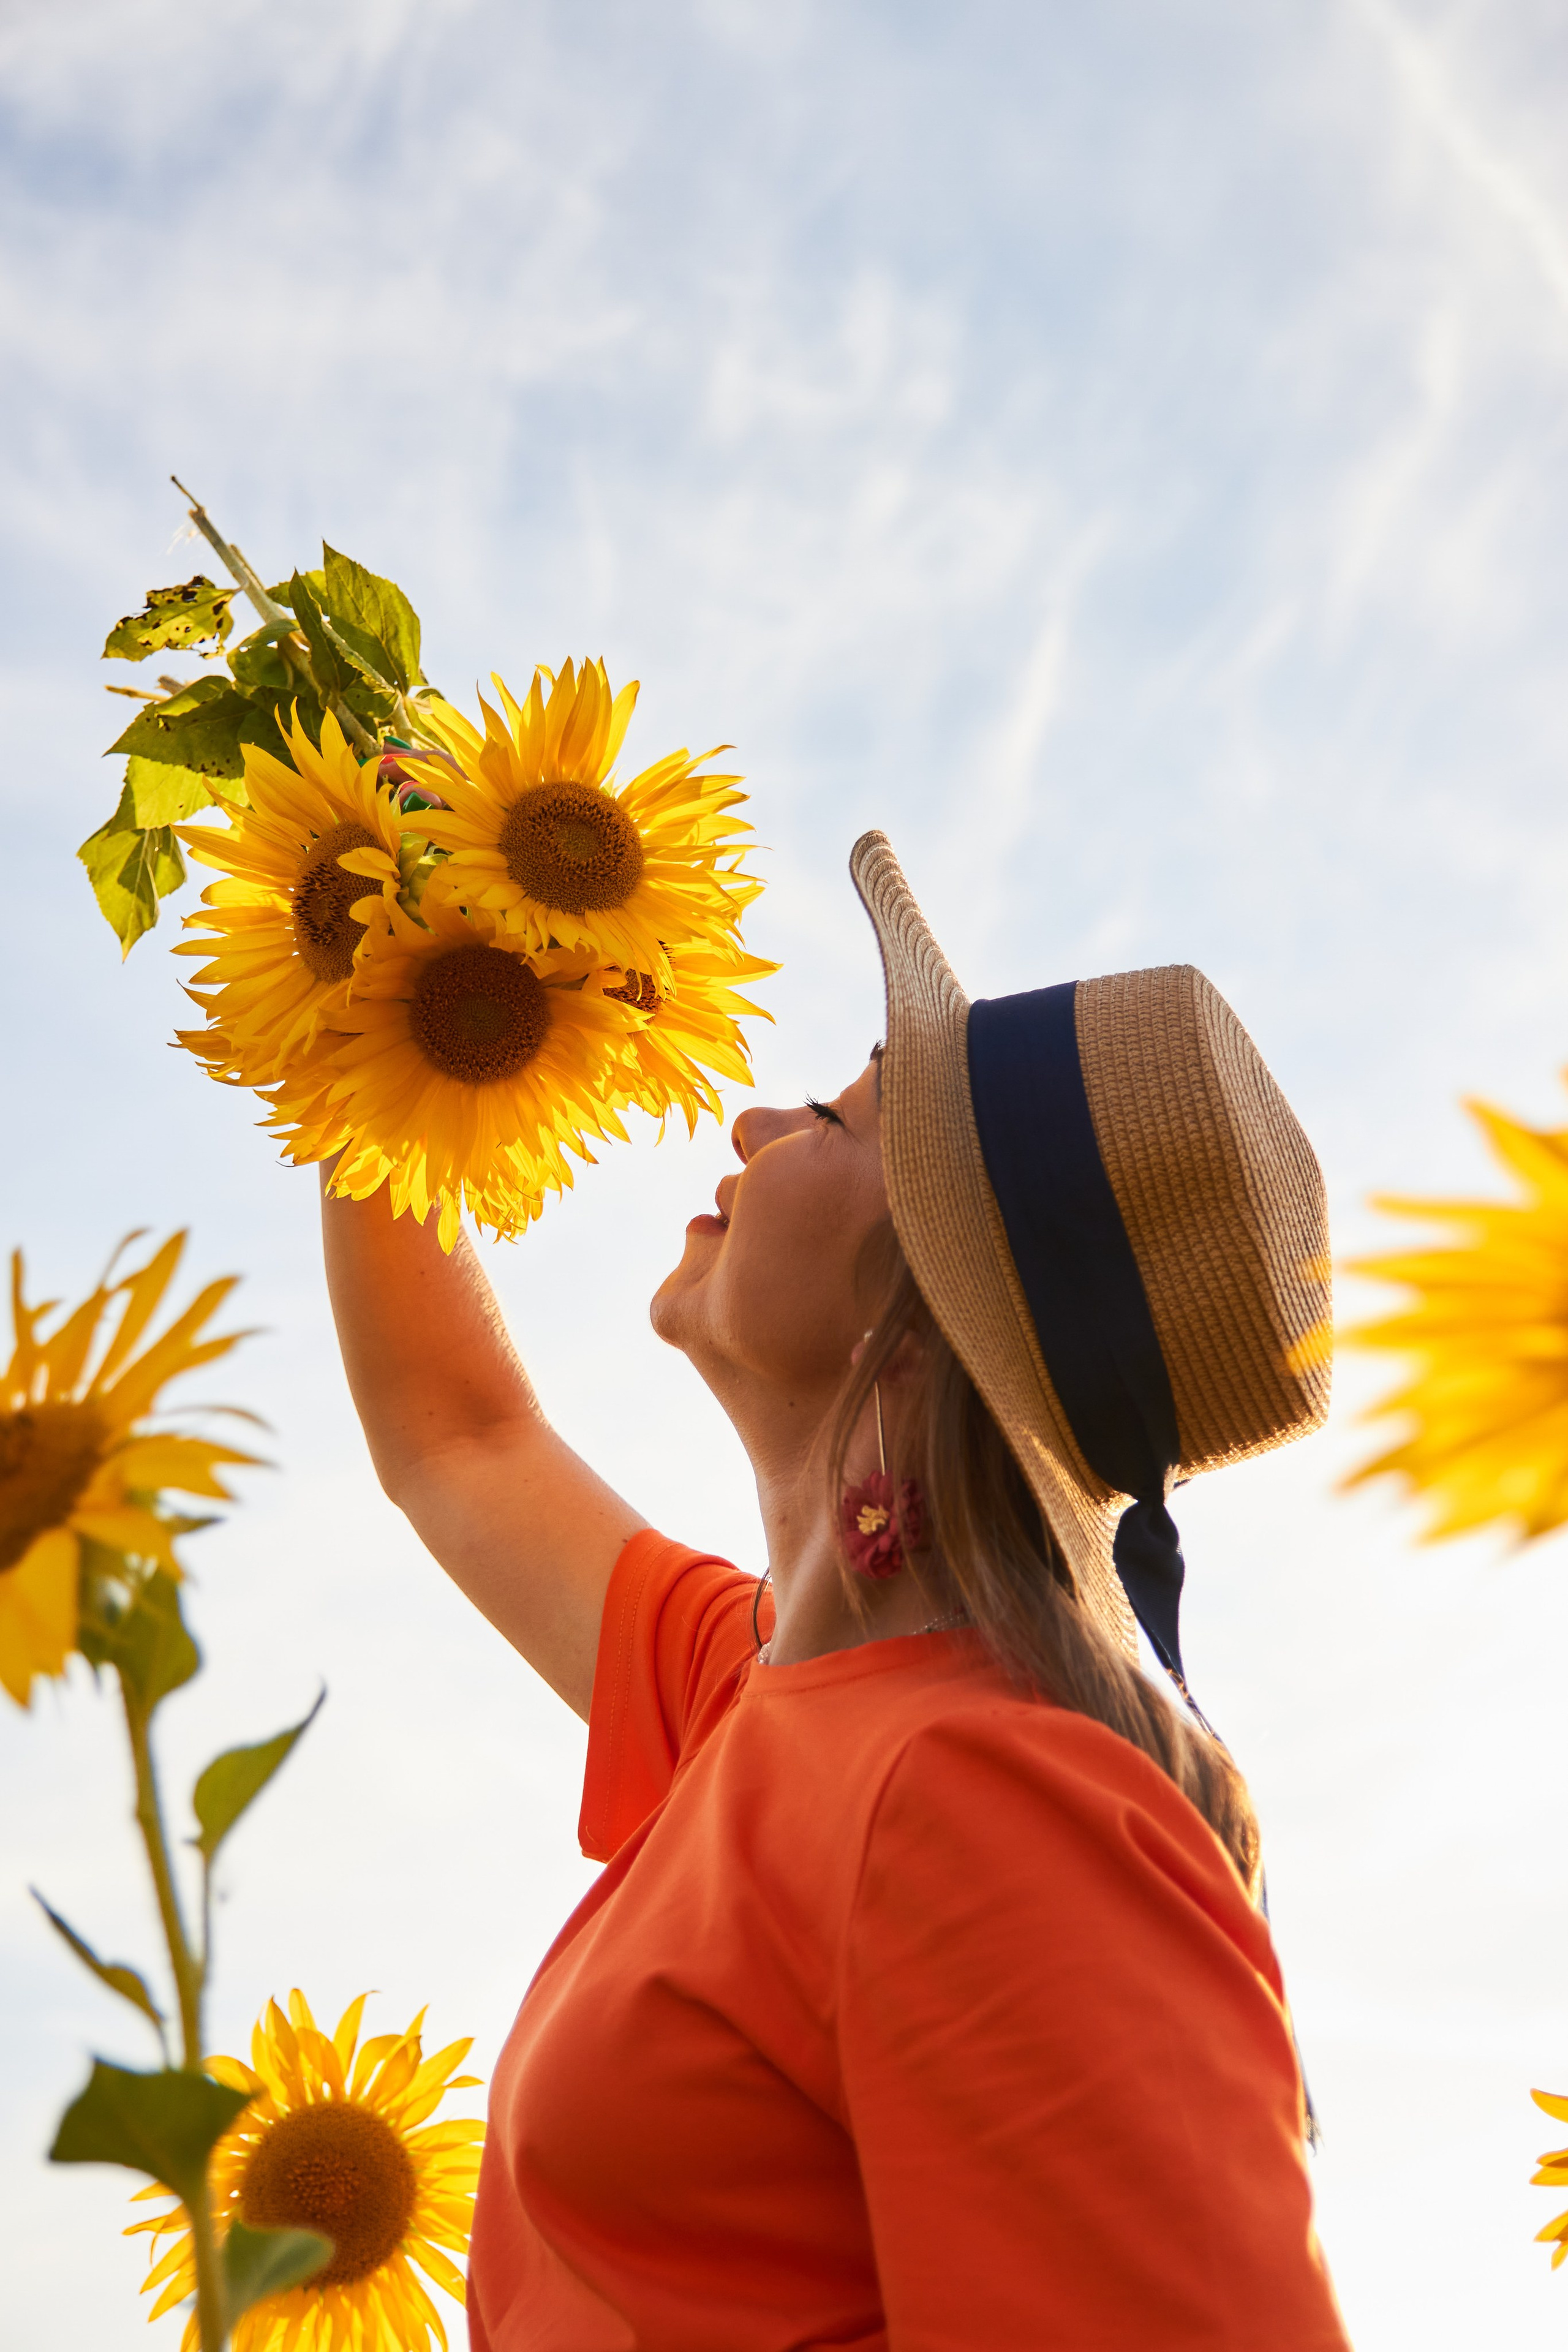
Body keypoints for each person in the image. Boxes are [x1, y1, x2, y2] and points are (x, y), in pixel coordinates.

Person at [321, 831, 1352, 2350]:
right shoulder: (755, 1698)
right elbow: (456, 1435)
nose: (748, 1120)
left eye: (828, 1114)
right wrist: (373, 1008)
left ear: (925, 1327)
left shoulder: (979, 1793)